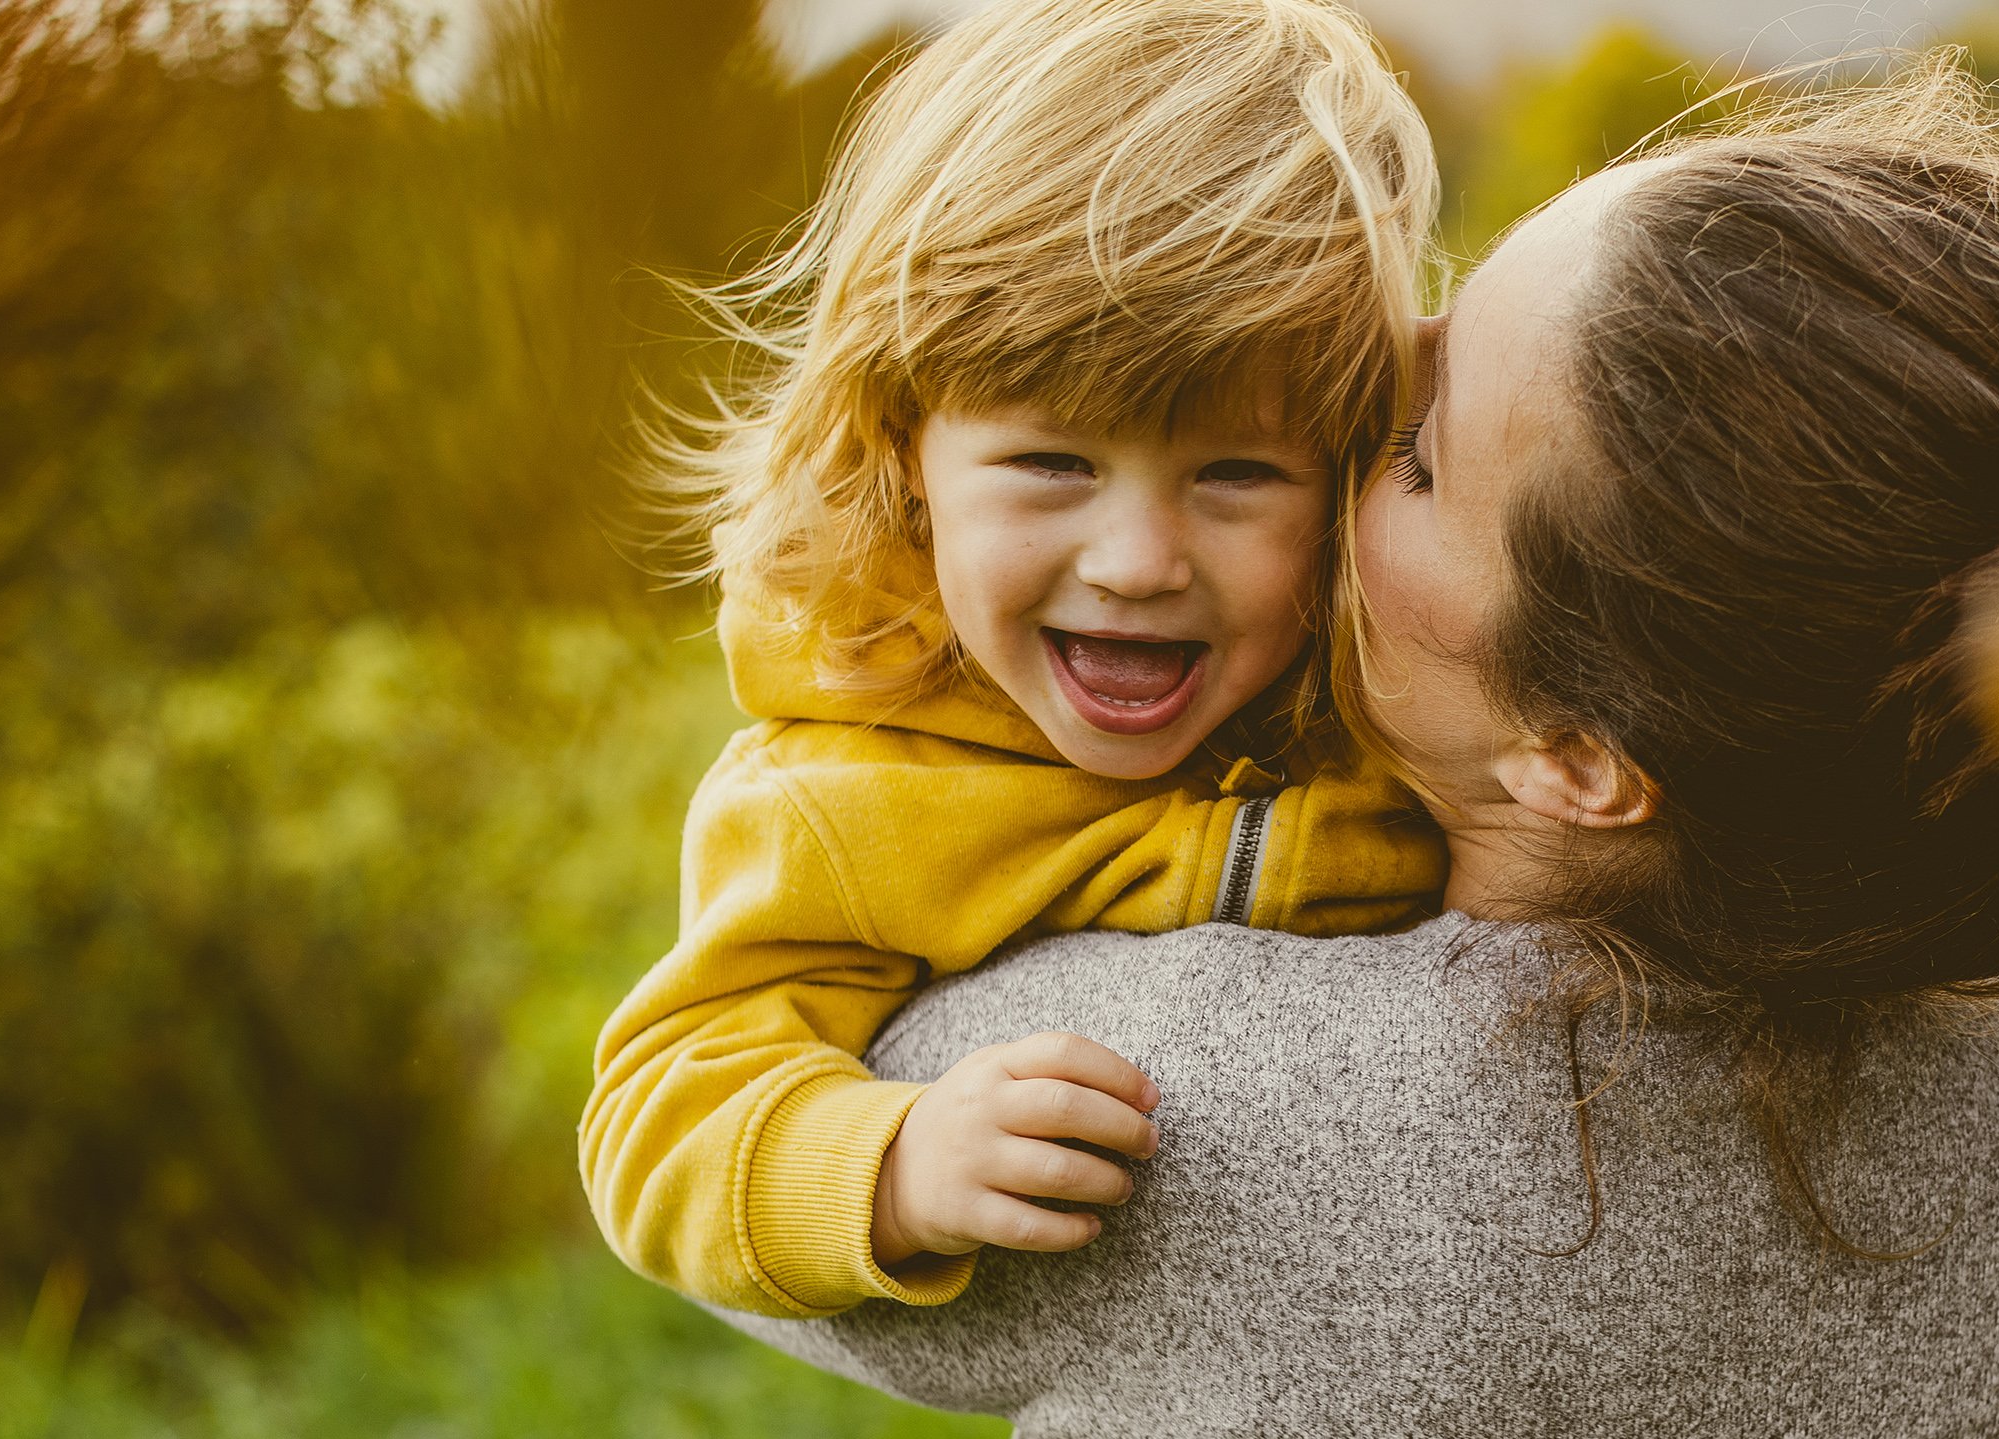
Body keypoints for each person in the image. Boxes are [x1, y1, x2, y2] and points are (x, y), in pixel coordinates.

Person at [727, 56, 1999, 1435]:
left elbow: (732, 1171)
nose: (1352, 404)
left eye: (1410, 453)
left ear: (1580, 754)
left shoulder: (1175, 1107)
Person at [579, 0, 1452, 1321]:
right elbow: (660, 1107)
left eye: (1235, 474)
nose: (1139, 560)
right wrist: (891, 1166)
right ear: (903, 455)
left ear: (1343, 477)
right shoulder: (849, 796)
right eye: (1054, 464)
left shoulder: (1393, 676)